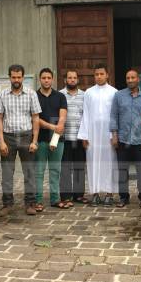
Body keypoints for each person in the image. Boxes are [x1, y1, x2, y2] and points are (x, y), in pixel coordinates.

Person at [0, 64, 42, 216]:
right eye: (13, 77)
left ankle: (30, 204)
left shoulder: (31, 94)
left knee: (29, 172)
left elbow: (36, 118)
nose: (16, 79)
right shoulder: (2, 95)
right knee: (7, 173)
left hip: (26, 136)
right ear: (9, 77)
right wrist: (1, 141)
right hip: (8, 137)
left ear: (23, 77)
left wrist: (34, 141)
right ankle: (7, 204)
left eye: (19, 77)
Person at [77, 64, 117, 206]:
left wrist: (115, 134)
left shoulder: (114, 92)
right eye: (96, 74)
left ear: (107, 75)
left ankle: (109, 194)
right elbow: (85, 114)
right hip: (92, 134)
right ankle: (94, 193)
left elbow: (115, 115)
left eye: (101, 74)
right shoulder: (89, 92)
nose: (99, 76)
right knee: (92, 163)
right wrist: (84, 136)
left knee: (109, 163)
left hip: (108, 134)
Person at [110, 69, 141, 207]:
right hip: (123, 139)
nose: (130, 80)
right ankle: (123, 197)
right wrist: (114, 135)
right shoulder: (118, 96)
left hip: (139, 140)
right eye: (128, 78)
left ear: (138, 79)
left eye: (133, 77)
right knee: (122, 170)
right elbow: (114, 116)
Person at [35, 68, 69, 209]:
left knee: (55, 170)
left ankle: (55, 199)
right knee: (39, 171)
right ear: (40, 79)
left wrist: (55, 138)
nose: (46, 80)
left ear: (53, 79)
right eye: (44, 78)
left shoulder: (60, 96)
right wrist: (52, 127)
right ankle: (38, 201)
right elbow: (35, 119)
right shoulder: (34, 96)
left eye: (49, 77)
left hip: (57, 140)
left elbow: (62, 118)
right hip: (40, 140)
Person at [59, 70, 87, 205]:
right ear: (65, 80)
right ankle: (65, 196)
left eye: (74, 78)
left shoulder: (84, 95)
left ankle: (79, 195)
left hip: (80, 137)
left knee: (79, 167)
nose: (72, 80)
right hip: (65, 138)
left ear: (77, 80)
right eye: (69, 78)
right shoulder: (60, 95)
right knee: (65, 168)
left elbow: (87, 116)